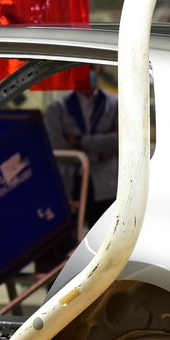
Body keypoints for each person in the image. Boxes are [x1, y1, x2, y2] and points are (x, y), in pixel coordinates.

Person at [44, 65, 119, 231]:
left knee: (104, 240)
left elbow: (121, 141)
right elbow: (57, 148)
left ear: (99, 70)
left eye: (91, 68)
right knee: (67, 245)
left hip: (106, 188)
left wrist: (79, 140)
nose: (86, 74)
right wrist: (95, 156)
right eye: (79, 68)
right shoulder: (57, 109)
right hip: (70, 185)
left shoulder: (116, 105)